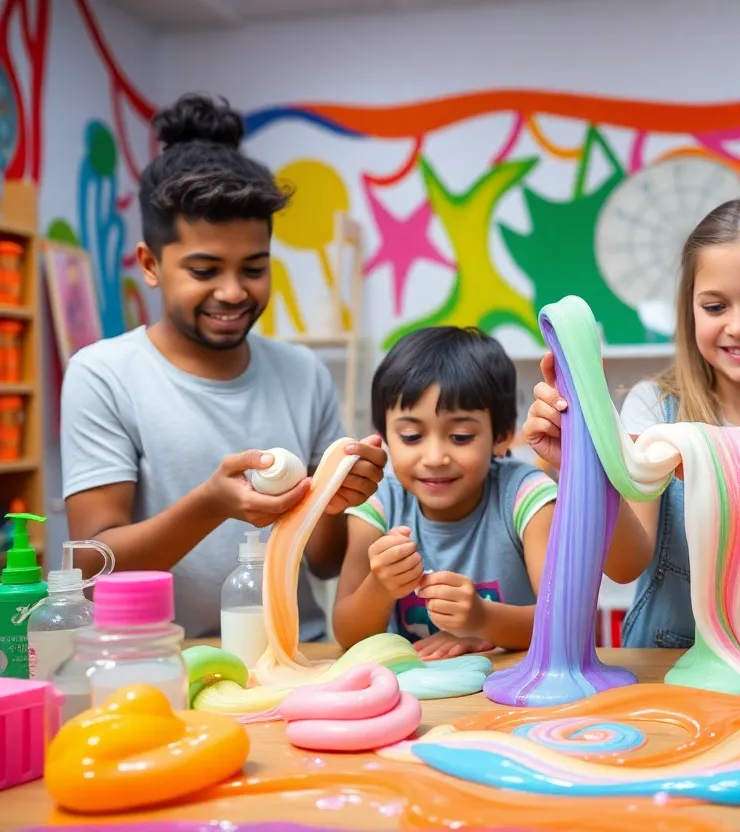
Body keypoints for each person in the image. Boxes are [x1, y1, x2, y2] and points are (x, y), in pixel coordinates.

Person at [60, 92, 387, 641]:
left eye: (254, 268)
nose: (233, 292)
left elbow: (327, 563)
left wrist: (339, 498)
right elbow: (92, 569)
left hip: (291, 653)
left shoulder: (302, 373)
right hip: (157, 659)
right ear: (150, 264)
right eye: (205, 269)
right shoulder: (103, 374)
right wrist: (210, 505)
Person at [523, 151, 740, 651]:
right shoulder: (652, 407)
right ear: (690, 311)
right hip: (666, 669)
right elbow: (625, 563)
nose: (739, 325)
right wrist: (582, 464)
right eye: (715, 306)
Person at [333, 326, 557, 659]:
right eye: (411, 436)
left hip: (506, 688)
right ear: (385, 437)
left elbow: (564, 623)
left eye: (461, 436)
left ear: (502, 437)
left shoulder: (527, 497)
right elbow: (347, 634)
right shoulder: (378, 502)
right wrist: (379, 588)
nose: (435, 458)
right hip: (412, 695)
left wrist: (483, 621)